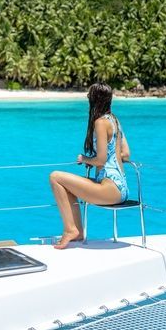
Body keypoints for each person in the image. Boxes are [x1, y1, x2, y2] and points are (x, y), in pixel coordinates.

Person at [49, 82, 130, 249]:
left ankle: (71, 229)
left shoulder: (100, 122)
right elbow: (126, 154)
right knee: (68, 185)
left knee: (55, 177)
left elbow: (100, 160)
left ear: (94, 99)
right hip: (121, 187)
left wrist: (85, 159)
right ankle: (76, 230)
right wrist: (111, 158)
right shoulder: (114, 120)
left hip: (110, 188)